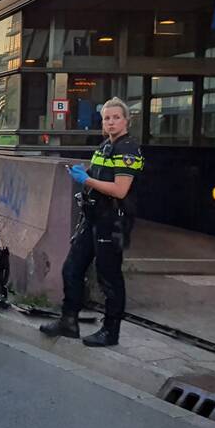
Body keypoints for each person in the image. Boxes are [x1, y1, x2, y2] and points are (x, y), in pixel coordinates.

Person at [41, 97, 143, 347]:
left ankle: (110, 332)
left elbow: (120, 190)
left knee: (109, 277)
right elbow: (99, 178)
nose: (111, 122)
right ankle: (69, 321)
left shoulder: (128, 149)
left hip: (112, 220)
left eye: (116, 117)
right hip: (93, 217)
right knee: (72, 268)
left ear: (127, 120)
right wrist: (85, 174)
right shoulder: (104, 146)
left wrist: (85, 180)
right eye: (107, 118)